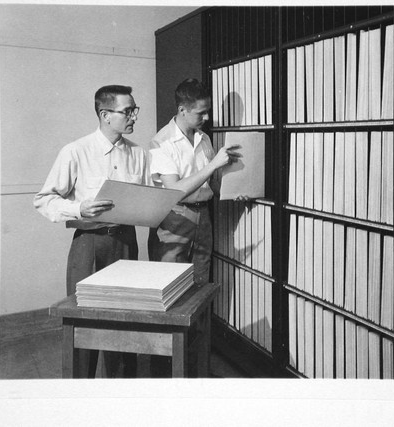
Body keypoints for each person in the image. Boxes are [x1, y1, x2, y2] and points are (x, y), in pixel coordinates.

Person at [34, 85, 151, 378]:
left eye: (134, 110)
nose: (133, 116)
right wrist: (79, 209)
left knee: (126, 324)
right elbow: (44, 200)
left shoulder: (138, 154)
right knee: (83, 325)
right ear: (105, 115)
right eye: (127, 111)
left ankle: (121, 396)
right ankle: (81, 399)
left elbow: (148, 196)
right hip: (88, 243)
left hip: (125, 242)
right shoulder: (76, 151)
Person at [148, 78, 242, 286]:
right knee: (169, 285)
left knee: (200, 282)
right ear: (182, 110)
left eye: (208, 111)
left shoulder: (204, 138)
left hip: (203, 216)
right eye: (201, 112)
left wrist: (232, 191)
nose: (207, 117)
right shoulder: (161, 143)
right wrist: (213, 165)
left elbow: (209, 183)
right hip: (174, 218)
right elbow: (174, 190)